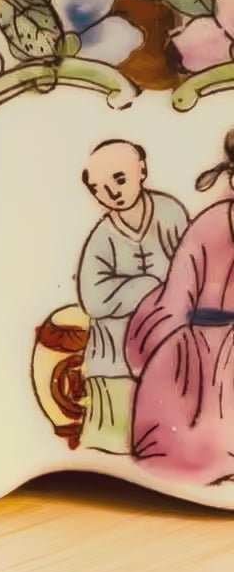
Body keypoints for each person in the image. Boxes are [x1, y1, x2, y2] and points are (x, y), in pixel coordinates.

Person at [127, 129, 234, 484]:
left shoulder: (208, 222)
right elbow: (177, 296)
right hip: (200, 349)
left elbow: (174, 297)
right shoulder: (209, 224)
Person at [76, 140, 187, 454]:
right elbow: (92, 297)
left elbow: (190, 265)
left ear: (142, 171)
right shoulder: (103, 236)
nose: (112, 193)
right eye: (99, 188)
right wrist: (145, 286)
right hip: (115, 348)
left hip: (167, 336)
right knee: (115, 436)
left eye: (120, 179)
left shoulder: (169, 213)